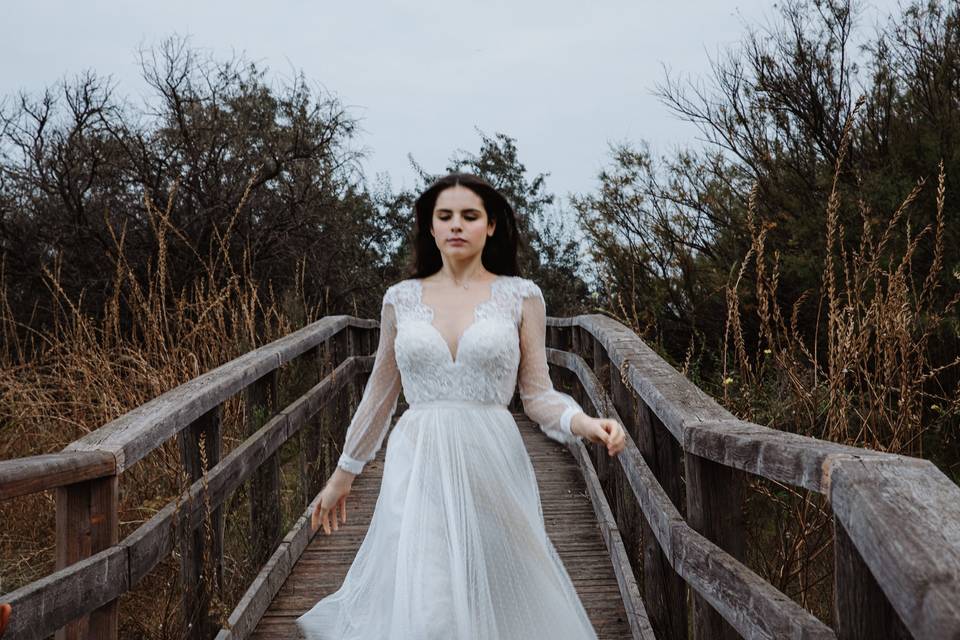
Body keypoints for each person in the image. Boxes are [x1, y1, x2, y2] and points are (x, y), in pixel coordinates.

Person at [296, 172, 627, 639]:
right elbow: (379, 394)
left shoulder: (522, 295)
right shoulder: (401, 299)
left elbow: (536, 395)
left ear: (490, 225)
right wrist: (343, 473)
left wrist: (585, 422)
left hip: (491, 460)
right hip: (419, 461)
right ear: (430, 228)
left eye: (469, 216)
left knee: (498, 592)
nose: (456, 225)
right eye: (444, 216)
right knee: (433, 600)